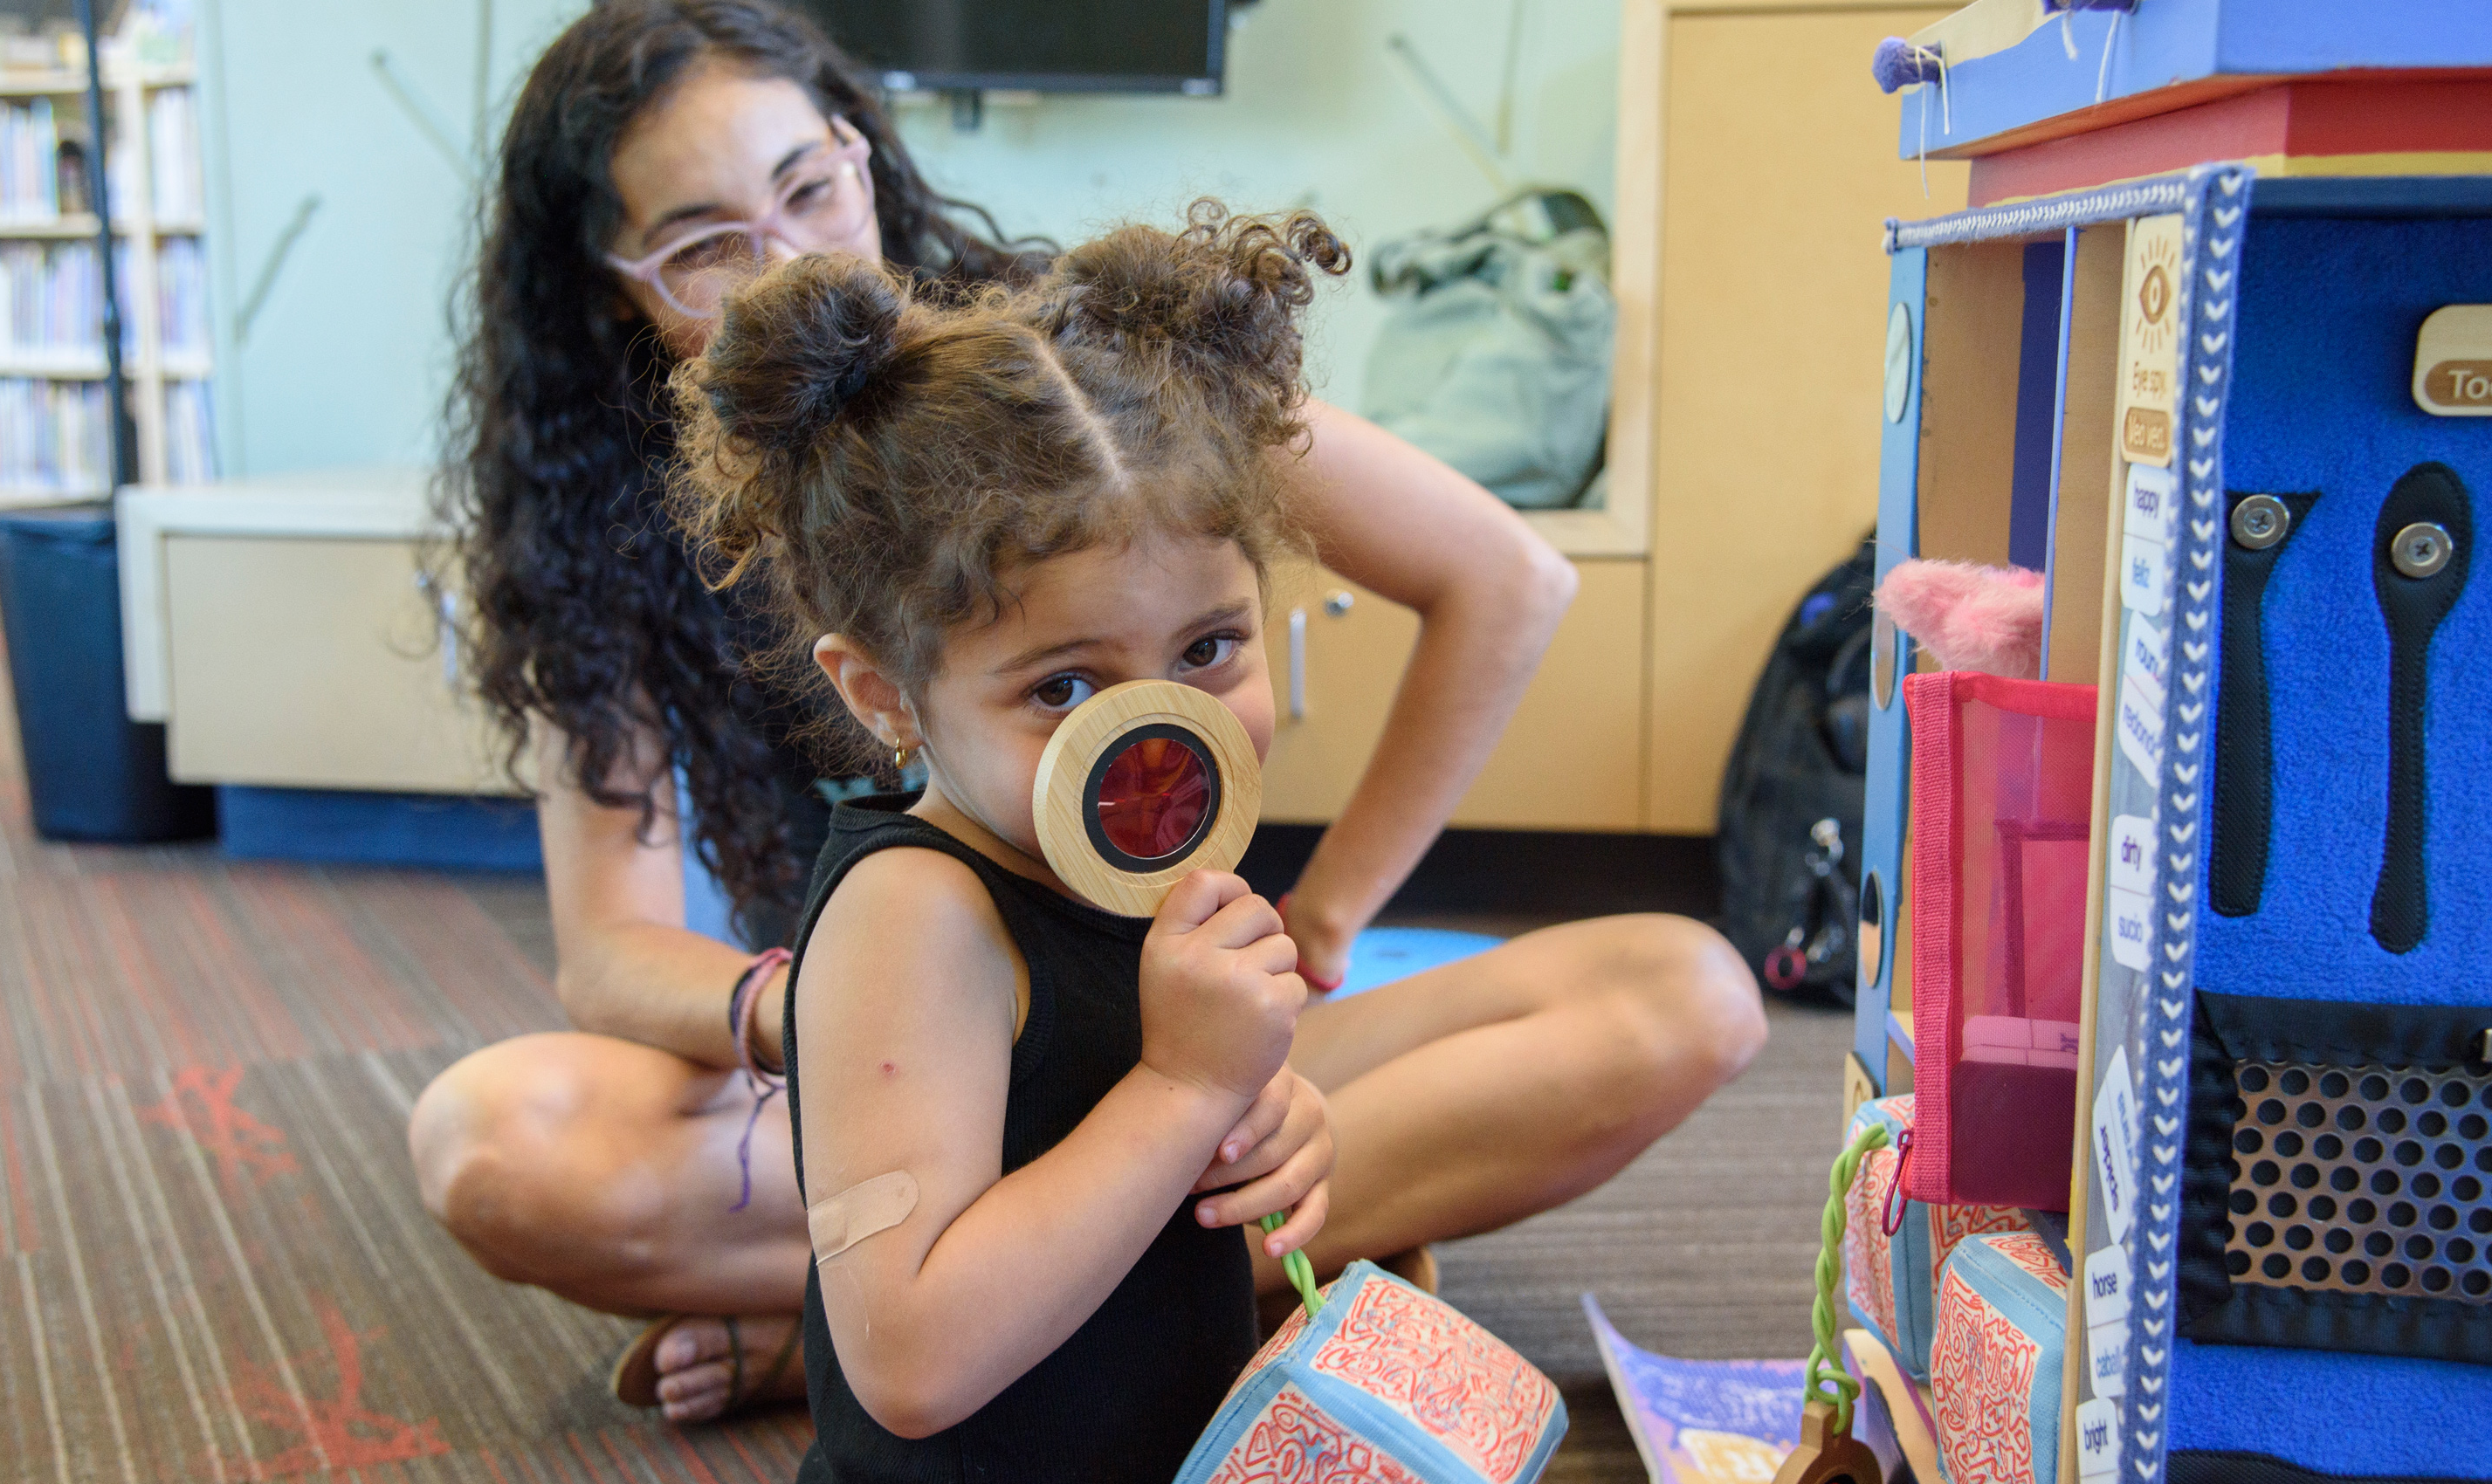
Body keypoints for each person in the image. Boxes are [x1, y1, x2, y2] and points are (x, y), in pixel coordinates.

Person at [410, 0, 1766, 1426]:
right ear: (610, 287)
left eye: (807, 188)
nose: (785, 265)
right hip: (892, 1071)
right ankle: (1075, 1281)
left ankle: (909, 1307)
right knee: (499, 1140)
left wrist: (1318, 933)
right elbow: (609, 955)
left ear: (863, 156)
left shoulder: (1081, 385)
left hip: (1187, 1028)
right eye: (702, 243)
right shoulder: (596, 535)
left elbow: (1508, 578)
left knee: (1684, 995)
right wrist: (838, 1023)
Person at [671, 210, 1341, 1481]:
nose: (1161, 736)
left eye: (1209, 650)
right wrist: (1184, 1090)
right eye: (1063, 690)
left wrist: (1261, 1122)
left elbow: (1099, 1160)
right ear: (883, 696)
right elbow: (911, 1361)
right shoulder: (912, 919)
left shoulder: (1134, 853)